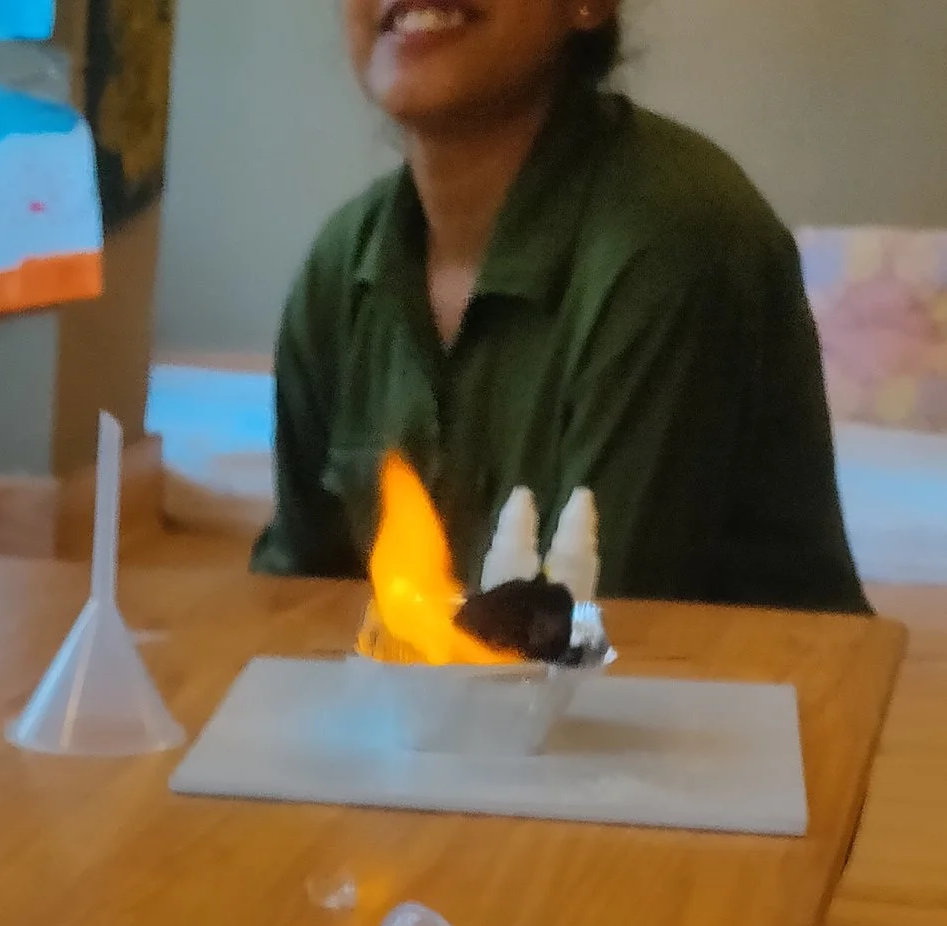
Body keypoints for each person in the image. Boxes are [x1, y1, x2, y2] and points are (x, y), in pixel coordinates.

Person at [254, 1, 868, 612]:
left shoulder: (674, 238)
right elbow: (295, 604)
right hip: (468, 680)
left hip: (679, 676)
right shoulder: (344, 262)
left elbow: (597, 630)